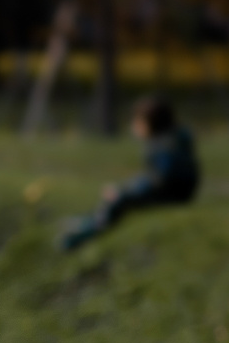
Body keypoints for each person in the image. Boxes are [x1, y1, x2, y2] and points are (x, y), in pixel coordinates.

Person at [60, 96, 201, 250]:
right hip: (182, 193)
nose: (134, 126)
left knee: (119, 199)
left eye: (137, 122)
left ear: (150, 124)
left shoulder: (162, 147)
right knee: (121, 192)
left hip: (172, 195)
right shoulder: (173, 139)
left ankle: (86, 232)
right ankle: (90, 220)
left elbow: (160, 179)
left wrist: (125, 191)